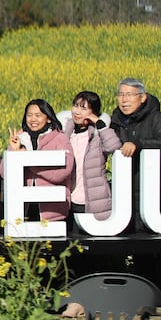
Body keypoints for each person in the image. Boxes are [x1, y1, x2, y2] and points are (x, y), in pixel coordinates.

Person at [109, 78, 161, 232]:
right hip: (129, 192)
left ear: (142, 97)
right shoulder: (117, 121)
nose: (124, 100)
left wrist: (138, 144)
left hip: (158, 191)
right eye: (121, 95)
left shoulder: (155, 117)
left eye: (129, 95)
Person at [1, 99, 74, 223]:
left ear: (49, 118)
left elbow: (62, 172)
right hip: (23, 209)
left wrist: (26, 159)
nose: (33, 119)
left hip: (52, 211)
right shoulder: (19, 139)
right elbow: (4, 173)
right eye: (29, 115)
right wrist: (15, 151)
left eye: (38, 115)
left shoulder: (60, 139)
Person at [58, 91, 122, 232]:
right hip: (68, 198)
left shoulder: (97, 136)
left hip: (92, 198)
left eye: (83, 108)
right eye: (75, 106)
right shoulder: (66, 132)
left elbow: (114, 146)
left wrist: (98, 122)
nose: (77, 111)